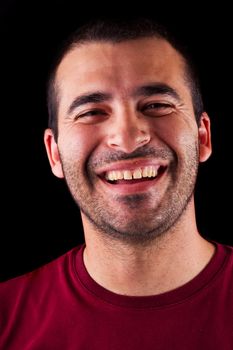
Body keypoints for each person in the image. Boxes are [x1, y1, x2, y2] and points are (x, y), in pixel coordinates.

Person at [0, 18, 232, 349]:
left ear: (203, 136)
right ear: (54, 154)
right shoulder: (5, 319)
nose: (127, 139)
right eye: (92, 112)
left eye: (157, 105)